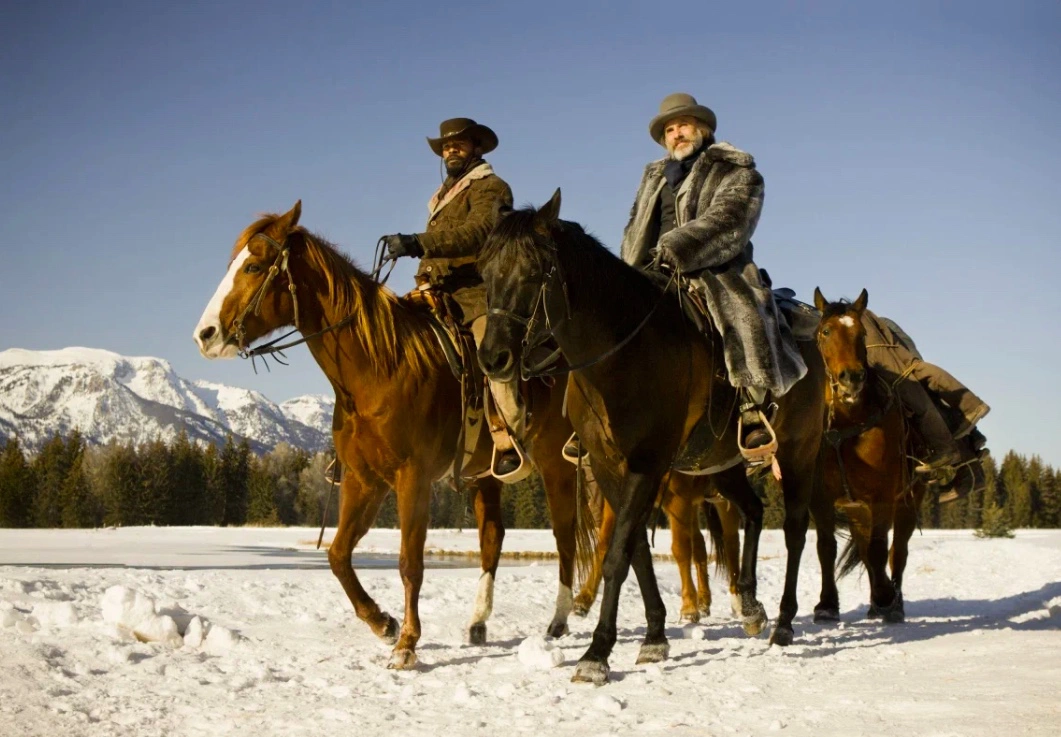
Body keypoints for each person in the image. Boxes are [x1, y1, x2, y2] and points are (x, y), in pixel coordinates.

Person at [619, 93, 807, 462]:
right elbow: (635, 227)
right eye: (669, 130)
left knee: (744, 312)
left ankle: (751, 409)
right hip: (650, 271)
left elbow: (731, 221)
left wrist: (676, 249)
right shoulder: (653, 178)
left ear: (702, 129)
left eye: (683, 125)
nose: (676, 134)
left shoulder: (737, 171)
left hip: (716, 269)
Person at [379, 117, 526, 478]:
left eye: (458, 143)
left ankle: (510, 439)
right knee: (380, 341)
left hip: (476, 294)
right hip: (433, 294)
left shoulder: (492, 187)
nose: (450, 150)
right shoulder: (443, 196)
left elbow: (478, 233)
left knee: (492, 355)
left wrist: (417, 242)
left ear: (477, 147)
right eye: (446, 146)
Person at [862, 309, 990, 500]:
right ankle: (970, 453)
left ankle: (965, 462)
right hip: (882, 330)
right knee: (912, 393)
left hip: (881, 333)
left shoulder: (846, 319)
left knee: (911, 388)